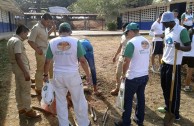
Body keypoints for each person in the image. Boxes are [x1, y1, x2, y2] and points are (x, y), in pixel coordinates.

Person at [43, 22, 91, 126]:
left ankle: (63, 124)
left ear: (59, 31)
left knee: (60, 101)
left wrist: (45, 75)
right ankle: (84, 123)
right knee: (79, 100)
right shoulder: (75, 41)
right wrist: (88, 75)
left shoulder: (52, 42)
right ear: (69, 31)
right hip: (73, 75)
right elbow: (82, 60)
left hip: (58, 76)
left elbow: (47, 61)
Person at [115, 22, 150, 126]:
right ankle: (139, 120)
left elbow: (126, 61)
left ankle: (125, 122)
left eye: (127, 32)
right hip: (144, 75)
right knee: (141, 97)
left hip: (133, 76)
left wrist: (123, 74)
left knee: (128, 100)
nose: (126, 35)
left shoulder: (131, 43)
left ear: (131, 31)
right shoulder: (146, 41)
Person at [160, 12, 191, 120]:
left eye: (164, 22)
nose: (163, 24)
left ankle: (175, 112)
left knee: (175, 90)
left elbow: (188, 47)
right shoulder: (167, 30)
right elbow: (166, 46)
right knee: (164, 87)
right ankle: (168, 107)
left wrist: (180, 47)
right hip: (164, 63)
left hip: (174, 65)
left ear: (170, 21)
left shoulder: (182, 30)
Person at [7, 25, 41, 118]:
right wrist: (25, 72)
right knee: (26, 89)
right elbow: (18, 57)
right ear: (22, 33)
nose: (27, 36)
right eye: (26, 34)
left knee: (19, 88)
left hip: (16, 68)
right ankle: (28, 110)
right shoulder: (18, 42)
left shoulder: (11, 40)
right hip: (21, 69)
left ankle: (21, 108)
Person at [28, 13, 56, 95]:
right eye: (48, 22)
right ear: (43, 19)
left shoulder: (44, 27)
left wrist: (52, 28)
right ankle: (39, 88)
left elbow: (46, 35)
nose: (48, 24)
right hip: (41, 51)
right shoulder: (36, 28)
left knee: (51, 67)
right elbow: (30, 41)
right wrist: (37, 49)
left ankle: (51, 84)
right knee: (40, 70)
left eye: (49, 22)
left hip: (47, 50)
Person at [111, 23, 130, 95]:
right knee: (118, 73)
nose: (123, 31)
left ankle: (127, 91)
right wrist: (115, 55)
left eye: (124, 29)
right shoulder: (123, 36)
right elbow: (120, 46)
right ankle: (117, 88)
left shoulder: (133, 38)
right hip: (121, 58)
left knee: (126, 75)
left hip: (129, 59)